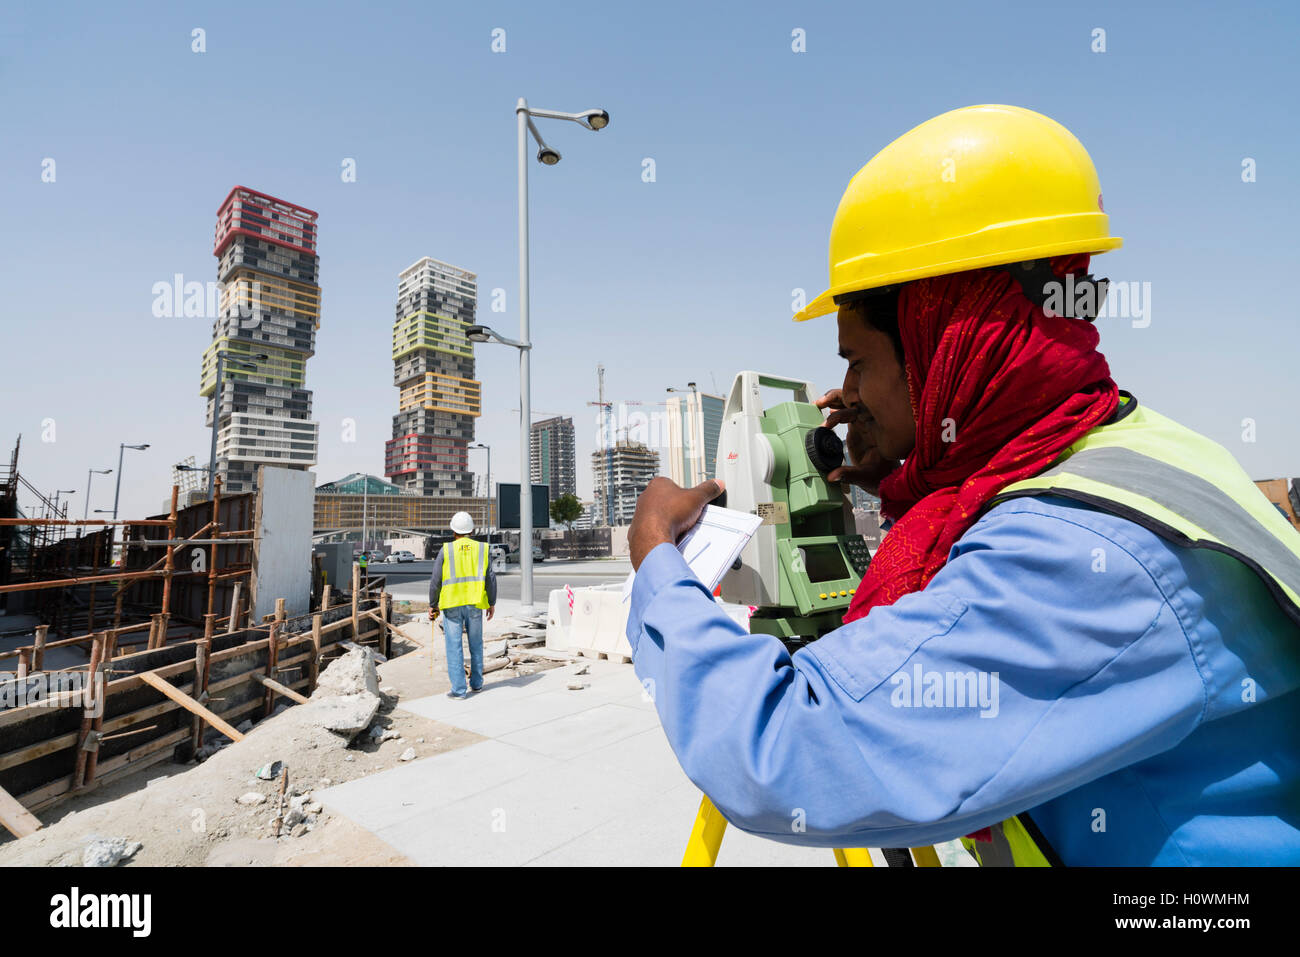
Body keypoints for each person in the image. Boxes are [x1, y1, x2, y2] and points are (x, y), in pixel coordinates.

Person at [626, 105, 1300, 865]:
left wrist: (658, 560)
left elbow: (783, 751)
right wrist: (922, 470)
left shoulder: (1079, 554)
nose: (844, 392)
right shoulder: (1138, 450)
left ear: (939, 338)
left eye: (858, 360)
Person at [429, 511, 496, 699]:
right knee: (476, 644)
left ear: (453, 531)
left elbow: (436, 580)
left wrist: (433, 604)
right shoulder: (483, 549)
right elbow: (490, 578)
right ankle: (477, 684)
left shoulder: (446, 550)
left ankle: (459, 690)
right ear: (472, 530)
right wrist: (491, 602)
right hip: (475, 604)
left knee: (454, 647)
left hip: (452, 604)